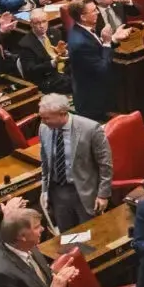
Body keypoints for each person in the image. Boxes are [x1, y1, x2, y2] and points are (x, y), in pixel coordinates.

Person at [35, 92, 113, 230]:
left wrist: (103, 194)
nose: (43, 122)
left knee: (91, 234)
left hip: (85, 191)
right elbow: (46, 162)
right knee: (67, 235)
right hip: (58, 192)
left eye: (46, 118)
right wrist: (44, 190)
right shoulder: (44, 128)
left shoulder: (90, 128)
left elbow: (105, 164)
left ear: (62, 113)